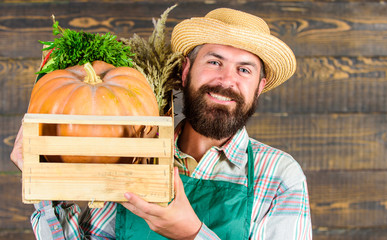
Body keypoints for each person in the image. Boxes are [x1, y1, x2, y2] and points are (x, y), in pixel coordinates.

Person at [11, 8, 312, 240]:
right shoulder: (135, 154)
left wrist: (191, 233)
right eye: (214, 62)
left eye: (243, 70)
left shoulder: (279, 176)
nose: (226, 80)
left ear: (259, 87)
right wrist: (45, 182)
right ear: (185, 71)